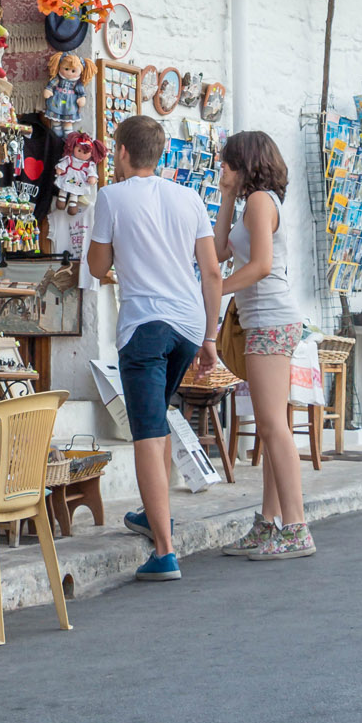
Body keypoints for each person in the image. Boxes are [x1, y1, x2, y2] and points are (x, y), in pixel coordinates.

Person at [87, 114, 222, 583]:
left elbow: (97, 263)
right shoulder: (190, 198)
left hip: (144, 327)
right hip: (187, 326)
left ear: (122, 152)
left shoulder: (111, 196)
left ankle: (165, 551)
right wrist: (210, 337)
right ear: (160, 153)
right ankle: (152, 513)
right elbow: (212, 273)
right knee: (160, 419)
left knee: (146, 431)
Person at [214, 130, 316, 561]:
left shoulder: (260, 202)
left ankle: (296, 527)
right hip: (263, 321)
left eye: (227, 163)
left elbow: (260, 266)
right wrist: (224, 196)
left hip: (270, 321)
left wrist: (214, 290)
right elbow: (220, 250)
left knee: (273, 426)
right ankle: (268, 522)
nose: (222, 169)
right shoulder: (248, 202)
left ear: (245, 162)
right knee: (275, 426)